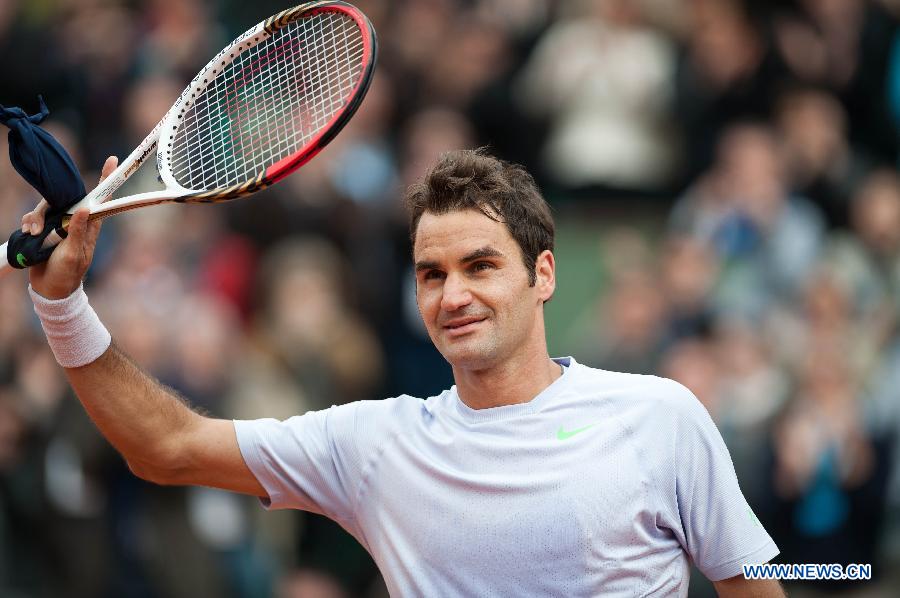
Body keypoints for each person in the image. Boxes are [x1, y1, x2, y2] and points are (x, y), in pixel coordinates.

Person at [22, 149, 783, 597]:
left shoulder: (661, 416)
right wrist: (62, 303)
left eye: (480, 265)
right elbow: (166, 447)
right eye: (431, 274)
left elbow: (750, 586)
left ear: (543, 274)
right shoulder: (374, 443)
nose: (453, 295)